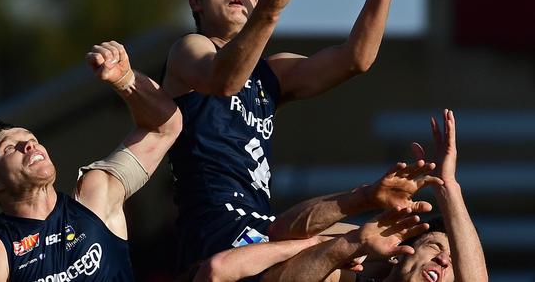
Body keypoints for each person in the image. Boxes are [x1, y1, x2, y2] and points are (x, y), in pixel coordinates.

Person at [161, 0, 413, 274]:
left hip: (262, 226)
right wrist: (270, 10)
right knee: (343, 248)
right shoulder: (190, 48)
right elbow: (224, 81)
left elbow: (354, 59)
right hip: (213, 231)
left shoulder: (272, 71)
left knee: (394, 242)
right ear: (196, 3)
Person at [0, 41, 182, 282]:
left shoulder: (94, 198)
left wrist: (126, 81)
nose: (29, 145)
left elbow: (165, 128)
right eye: (9, 148)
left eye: (31, 138)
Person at [191, 110, 488, 282]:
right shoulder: (345, 272)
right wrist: (364, 203)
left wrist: (448, 186)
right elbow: (279, 233)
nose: (446, 261)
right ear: (400, 256)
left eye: (453, 261)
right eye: (435, 246)